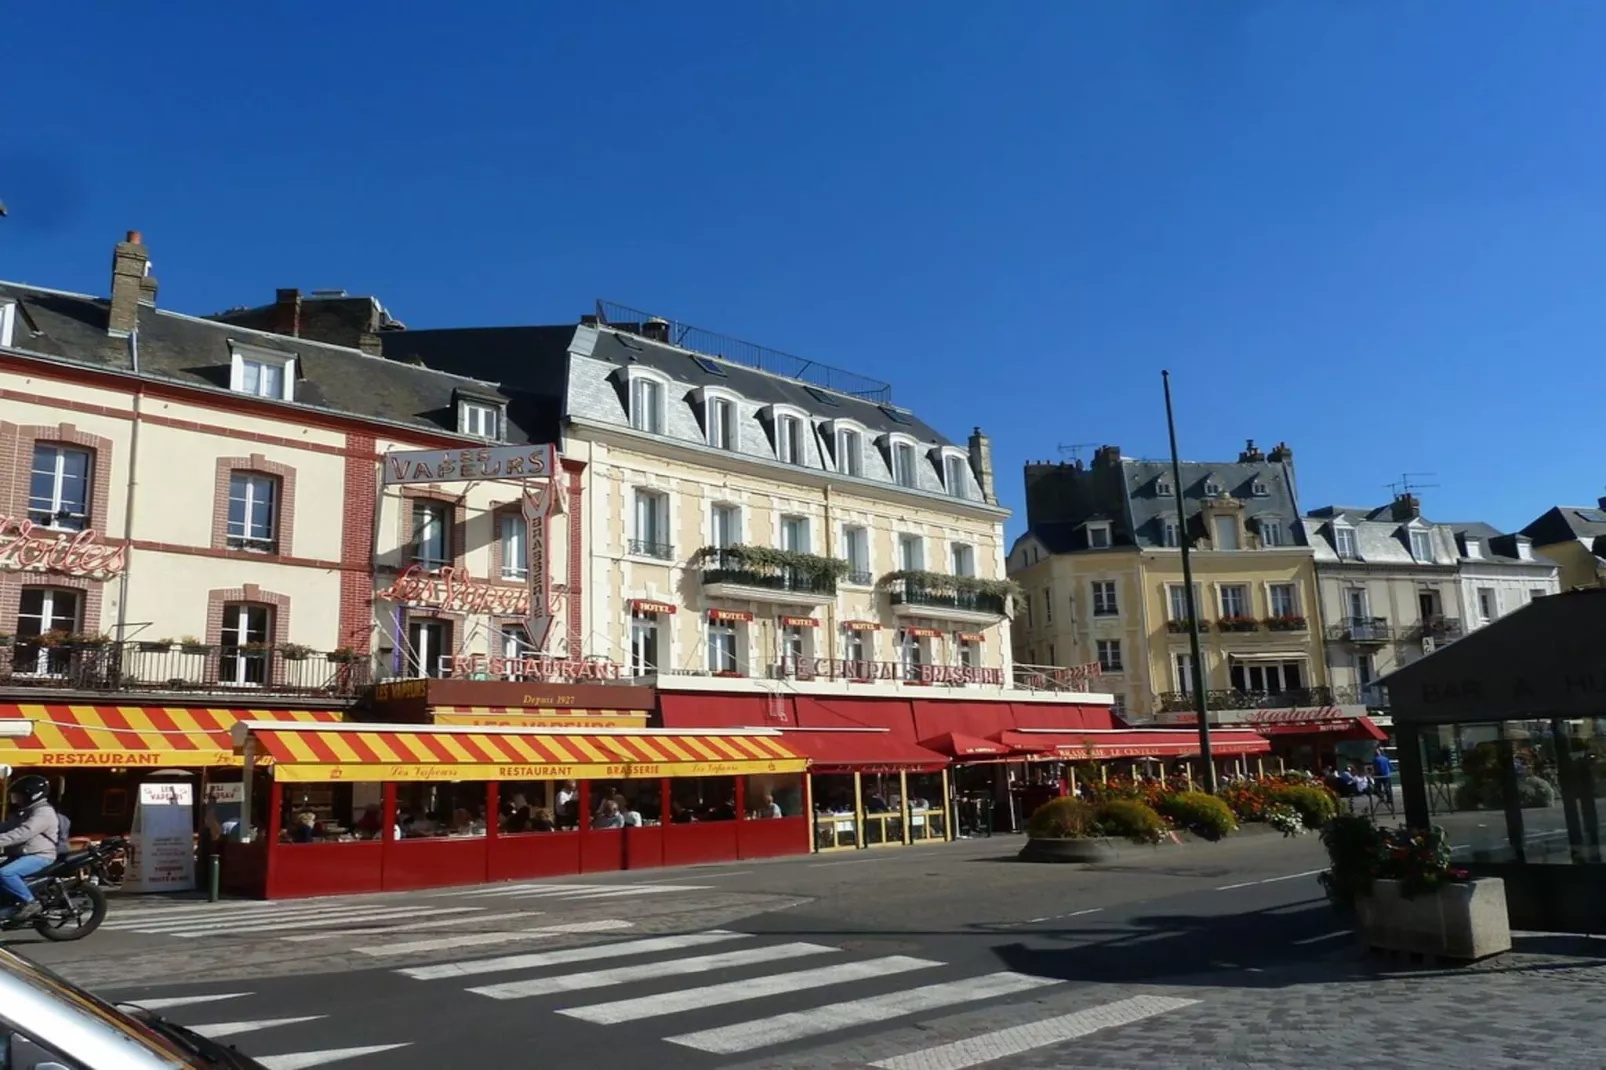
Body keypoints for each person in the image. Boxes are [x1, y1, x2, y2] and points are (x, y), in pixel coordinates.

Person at [0, 775, 61, 922]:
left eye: (19, 796)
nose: (16, 799)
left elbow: (22, 833)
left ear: (32, 794)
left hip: (40, 855)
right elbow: (7, 827)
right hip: (20, 854)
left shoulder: (43, 812)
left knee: (5, 873)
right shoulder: (24, 811)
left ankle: (30, 902)